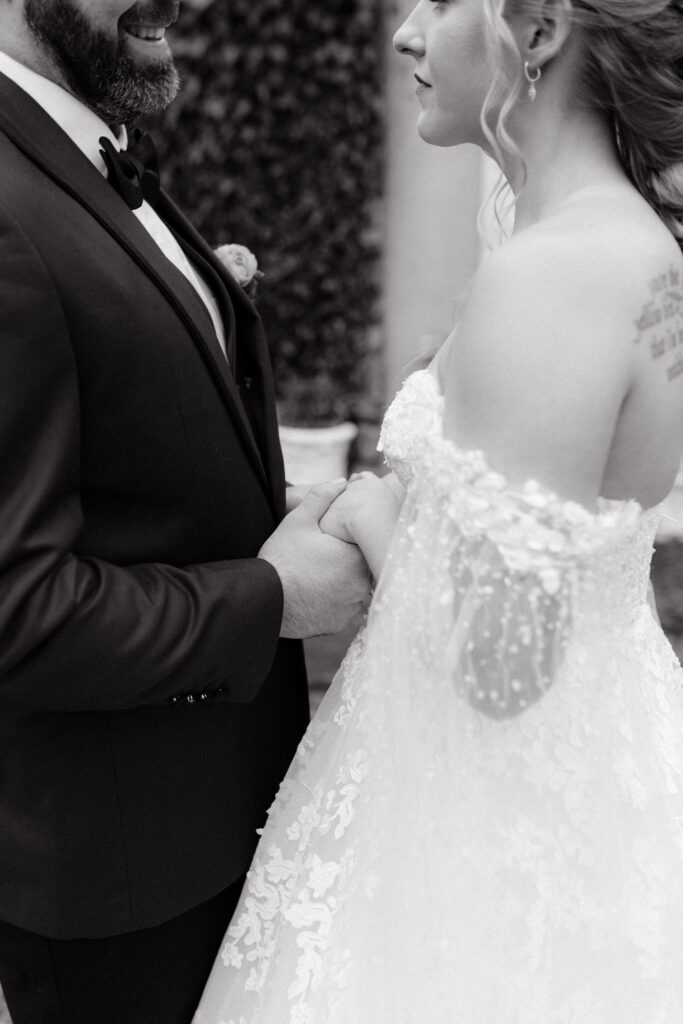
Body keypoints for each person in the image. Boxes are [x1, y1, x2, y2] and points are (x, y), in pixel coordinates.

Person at [195, 0, 683, 1021]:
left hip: (476, 842)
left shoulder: (549, 276)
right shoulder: (621, 245)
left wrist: (372, 514)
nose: (404, 33)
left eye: (439, 2)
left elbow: (499, 663)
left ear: (538, 32)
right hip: (591, 780)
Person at [0, 2, 371, 1023]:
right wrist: (273, 598)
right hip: (120, 892)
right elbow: (18, 611)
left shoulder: (86, 156)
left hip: (222, 835)